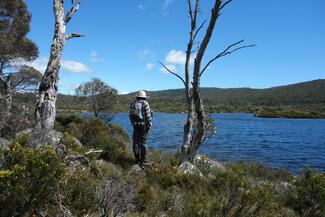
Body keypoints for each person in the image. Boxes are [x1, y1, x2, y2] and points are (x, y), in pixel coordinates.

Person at [129, 90, 152, 164]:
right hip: (143, 125)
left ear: (137, 96)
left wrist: (133, 124)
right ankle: (143, 159)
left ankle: (136, 158)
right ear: (144, 97)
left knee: (136, 142)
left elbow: (130, 116)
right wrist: (149, 126)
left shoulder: (133, 103)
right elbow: (148, 117)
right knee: (143, 142)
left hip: (135, 125)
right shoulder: (145, 103)